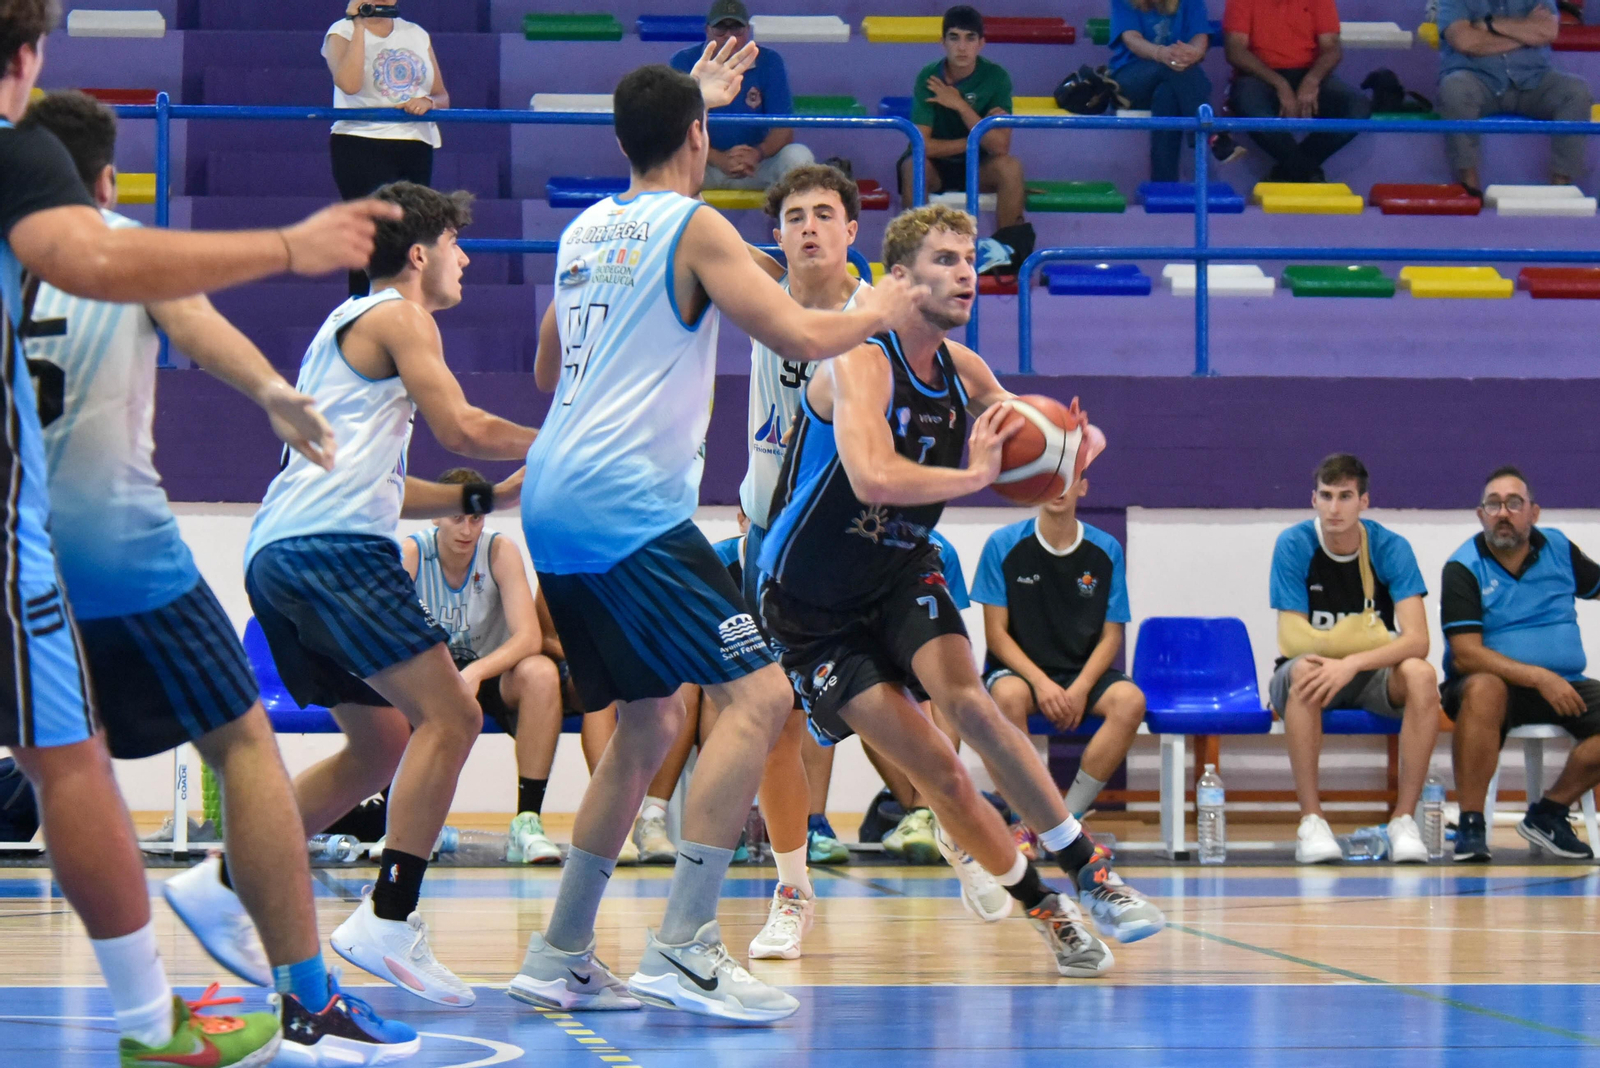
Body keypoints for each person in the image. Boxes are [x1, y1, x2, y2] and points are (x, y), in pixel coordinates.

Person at [1, 4, 394, 1063]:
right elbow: (187, 311)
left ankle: (153, 1009)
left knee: (58, 767)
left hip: (21, 559)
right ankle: (306, 998)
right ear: (106, 182)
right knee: (242, 746)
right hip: (115, 562)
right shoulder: (112, 241)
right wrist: (271, 382)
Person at [509, 45, 921, 1023]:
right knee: (759, 692)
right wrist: (886, 307)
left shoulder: (582, 232)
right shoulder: (694, 229)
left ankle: (559, 948)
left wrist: (698, 93)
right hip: (626, 508)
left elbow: (542, 372)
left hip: (553, 498)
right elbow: (800, 334)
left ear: (620, 140)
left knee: (651, 721)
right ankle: (685, 945)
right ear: (699, 137)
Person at [759, 203, 1166, 982]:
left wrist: (1073, 449)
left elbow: (1041, 446)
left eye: (970, 260)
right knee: (938, 775)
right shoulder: (859, 358)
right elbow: (873, 474)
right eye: (945, 260)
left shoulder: (965, 370)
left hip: (901, 568)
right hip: (813, 606)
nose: (966, 274)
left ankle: (1093, 874)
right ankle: (1049, 912)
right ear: (899, 279)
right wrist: (975, 477)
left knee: (972, 704)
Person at [243, 181, 536, 1006]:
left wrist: (483, 497)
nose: (466, 260)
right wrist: (565, 443)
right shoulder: (405, 317)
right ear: (420, 252)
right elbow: (465, 428)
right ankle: (391, 916)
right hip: (334, 555)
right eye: (456, 245)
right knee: (456, 715)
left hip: (281, 554)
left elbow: (385, 486)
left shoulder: (338, 335)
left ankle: (229, 874)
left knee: (379, 745)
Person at [1267, 454, 1437, 865]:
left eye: (1345, 496)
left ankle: (1403, 821)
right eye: (1326, 496)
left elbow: (1418, 640)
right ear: (1313, 500)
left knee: (1422, 675)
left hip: (1367, 676)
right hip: (1305, 676)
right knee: (1306, 669)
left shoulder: (1390, 547)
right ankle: (1312, 821)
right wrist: (1351, 649)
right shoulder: (1294, 545)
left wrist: (1352, 662)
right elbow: (1292, 640)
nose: (1334, 507)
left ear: (1364, 502)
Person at [401, 466, 563, 865]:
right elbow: (393, 638)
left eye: (475, 518)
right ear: (435, 516)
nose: (467, 529)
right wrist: (443, 677)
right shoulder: (411, 554)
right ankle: (418, 821)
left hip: (488, 673)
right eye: (457, 517)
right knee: (395, 683)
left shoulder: (499, 551)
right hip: (432, 679)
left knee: (541, 673)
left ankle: (527, 823)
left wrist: (475, 672)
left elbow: (527, 637)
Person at [1442, 466, 1600, 862]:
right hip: (1492, 687)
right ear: (1481, 515)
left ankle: (1549, 813)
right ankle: (1472, 825)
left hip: (1564, 684)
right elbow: (1466, 652)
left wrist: (1550, 680)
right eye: (1493, 505)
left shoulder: (1560, 549)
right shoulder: (1462, 566)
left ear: (1534, 512)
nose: (1503, 513)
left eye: (1514, 503)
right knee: (1484, 687)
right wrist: (1538, 677)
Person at [972, 476, 1148, 825]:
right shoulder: (1003, 544)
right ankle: (1025, 820)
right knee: (1008, 695)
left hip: (1081, 673)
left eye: (1069, 480)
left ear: (1083, 487)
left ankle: (1069, 821)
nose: (1059, 488)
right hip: (1022, 674)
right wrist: (1041, 683)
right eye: (1051, 479)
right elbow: (996, 634)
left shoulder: (1106, 548)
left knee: (1131, 701)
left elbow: (1112, 636)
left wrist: (1081, 688)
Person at [325, 0, 448, 294]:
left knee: (412, 233)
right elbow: (349, 84)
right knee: (372, 232)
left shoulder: (417, 33)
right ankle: (362, 310)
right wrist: (357, 24)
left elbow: (442, 95)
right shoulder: (340, 32)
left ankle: (407, 308)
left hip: (416, 143)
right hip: (360, 142)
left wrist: (428, 102)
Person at [1436, 0, 1591, 194]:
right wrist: (1525, 34)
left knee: (1575, 91)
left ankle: (1561, 187)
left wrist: (1490, 25)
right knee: (1454, 88)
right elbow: (1465, 41)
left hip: (1533, 79)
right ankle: (1469, 186)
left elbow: (1548, 32)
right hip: (1479, 80)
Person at [900, 6, 1029, 237]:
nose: (962, 47)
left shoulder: (996, 77)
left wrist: (959, 104)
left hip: (979, 166)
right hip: (937, 166)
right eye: (954, 38)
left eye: (970, 38)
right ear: (943, 43)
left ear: (981, 43)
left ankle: (1008, 254)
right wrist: (978, 138)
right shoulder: (928, 77)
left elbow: (1000, 146)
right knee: (913, 167)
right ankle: (918, 250)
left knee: (1010, 168)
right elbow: (923, 146)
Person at [669, 0, 814, 191]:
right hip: (704, 165)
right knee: (666, 157)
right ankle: (677, 221)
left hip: (757, 166)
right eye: (721, 29)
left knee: (798, 157)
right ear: (707, 30)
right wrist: (718, 158)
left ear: (747, 30)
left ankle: (789, 220)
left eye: (737, 29)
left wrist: (757, 154)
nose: (729, 36)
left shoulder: (770, 61)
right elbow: (675, 128)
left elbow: (784, 128)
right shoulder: (684, 61)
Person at [1223, 0, 1370, 181]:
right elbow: (1235, 51)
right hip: (1259, 77)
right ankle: (1307, 172)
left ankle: (1290, 170)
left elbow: (1332, 48)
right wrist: (1280, 85)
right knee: (1245, 99)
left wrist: (1312, 80)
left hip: (1310, 73)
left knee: (1357, 107)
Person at [1108, 0, 1246, 182]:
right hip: (1131, 78)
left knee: (1168, 94)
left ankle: (1163, 185)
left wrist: (1194, 52)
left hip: (1175, 78)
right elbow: (1132, 39)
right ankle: (1211, 133)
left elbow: (1200, 36)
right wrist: (1162, 54)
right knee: (1176, 70)